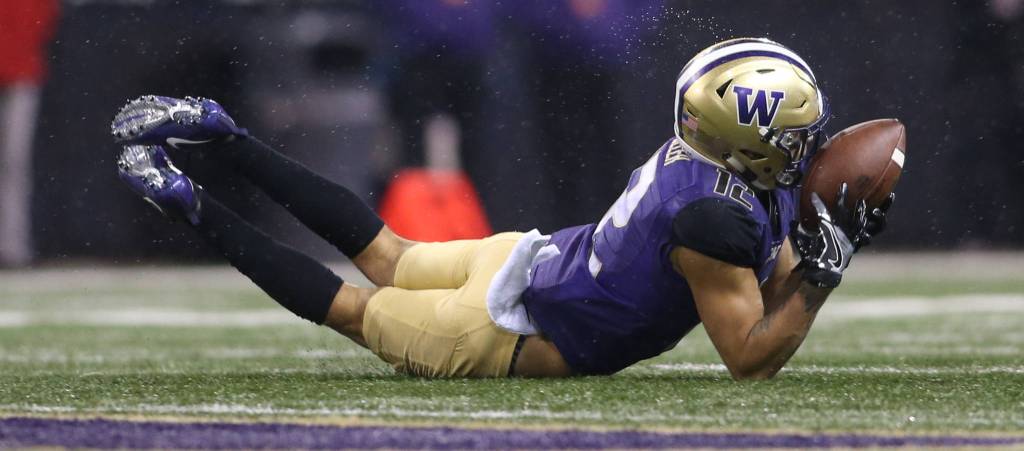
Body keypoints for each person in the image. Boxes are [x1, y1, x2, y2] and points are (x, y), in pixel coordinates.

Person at [110, 39, 890, 379]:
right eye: (793, 134)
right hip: (512, 329)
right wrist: (824, 273)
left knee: (389, 254)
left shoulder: (717, 166)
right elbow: (750, 357)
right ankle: (186, 199)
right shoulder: (710, 222)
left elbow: (773, 253)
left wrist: (819, 242)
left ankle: (224, 133)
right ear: (745, 141)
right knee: (353, 302)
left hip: (540, 258)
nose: (808, 145)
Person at [0, 0, 59, 267]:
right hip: (21, 68)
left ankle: (13, 248)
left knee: (14, 164)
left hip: (21, 72)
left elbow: (42, 21)